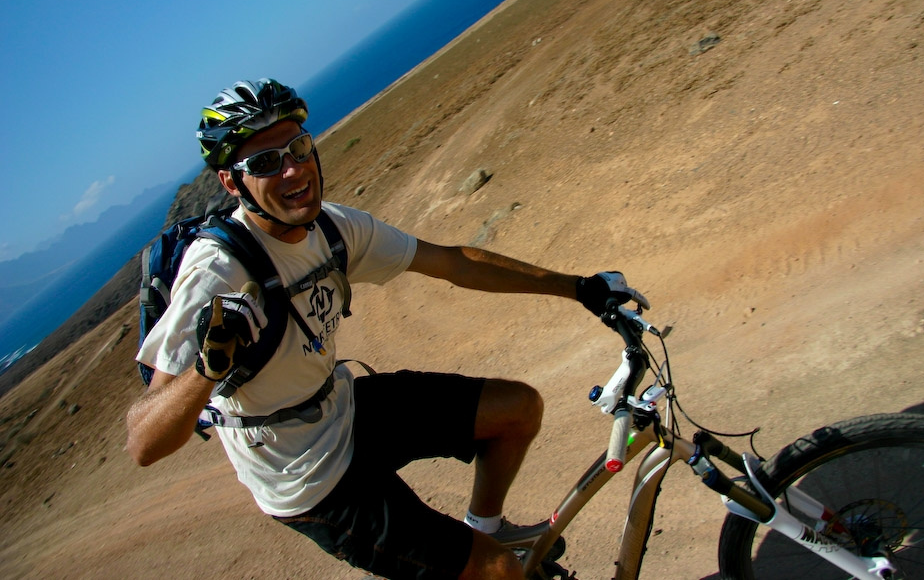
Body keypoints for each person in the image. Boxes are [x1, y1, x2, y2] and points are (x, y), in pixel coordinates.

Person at [126, 78, 649, 580]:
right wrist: (208, 369)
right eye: (265, 163)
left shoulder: (331, 228)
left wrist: (579, 288)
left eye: (299, 147)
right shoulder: (216, 274)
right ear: (231, 182)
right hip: (304, 475)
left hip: (344, 408)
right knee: (498, 573)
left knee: (517, 409)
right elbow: (144, 442)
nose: (293, 170)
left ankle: (484, 533)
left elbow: (452, 263)